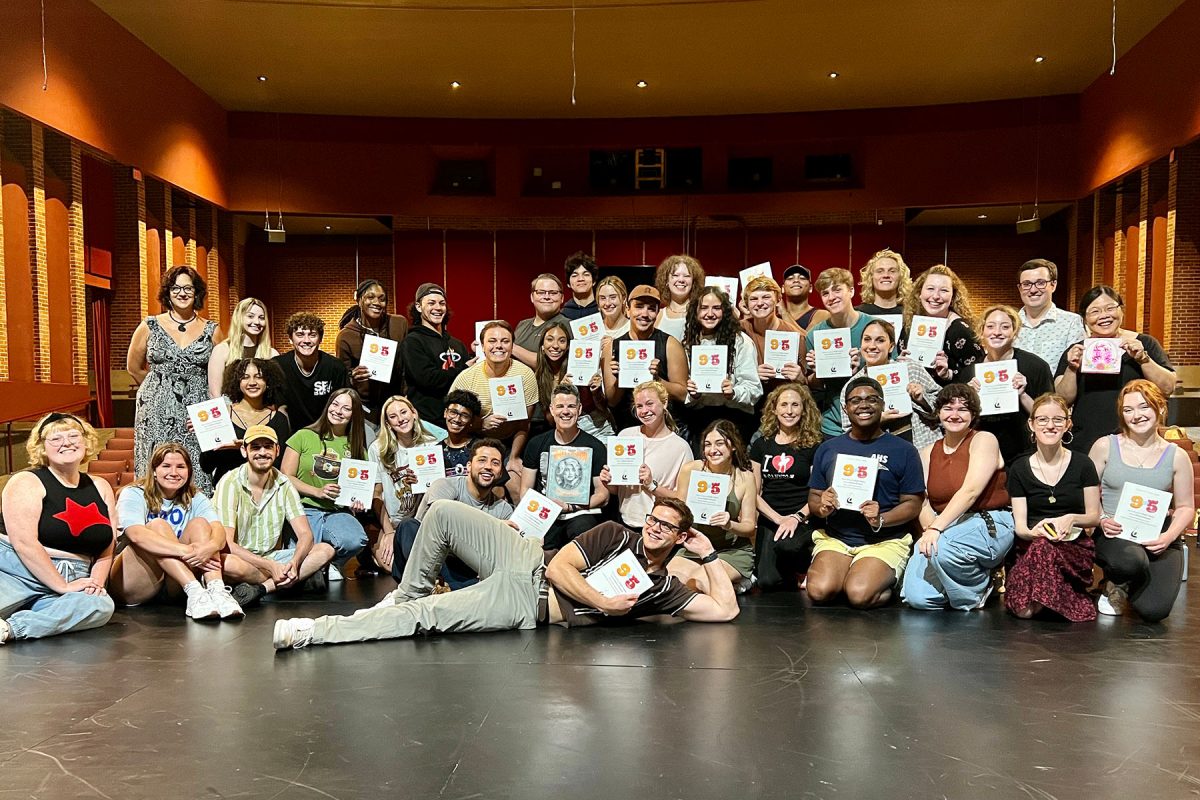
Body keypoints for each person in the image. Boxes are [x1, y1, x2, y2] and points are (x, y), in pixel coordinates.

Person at [272, 496, 738, 650]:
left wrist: (710, 554)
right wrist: (603, 604)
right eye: (653, 519)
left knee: (429, 616)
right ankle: (404, 594)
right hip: (529, 562)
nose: (654, 528)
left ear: (681, 536)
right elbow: (558, 567)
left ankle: (314, 631)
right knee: (443, 512)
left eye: (667, 527)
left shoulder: (661, 589)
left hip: (524, 603)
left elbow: (724, 610)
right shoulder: (617, 533)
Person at [806, 377, 925, 609]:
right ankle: (851, 574)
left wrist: (881, 519)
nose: (864, 405)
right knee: (820, 591)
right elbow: (814, 497)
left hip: (884, 541)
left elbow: (913, 503)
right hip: (838, 538)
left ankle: (884, 581)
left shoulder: (905, 450)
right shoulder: (828, 448)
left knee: (859, 595)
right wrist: (822, 506)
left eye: (872, 399)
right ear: (845, 408)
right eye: (855, 400)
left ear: (882, 404)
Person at [0, 413, 115, 644]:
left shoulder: (100, 486)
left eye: (74, 435)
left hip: (76, 575)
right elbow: (24, 543)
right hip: (18, 569)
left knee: (99, 605)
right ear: (42, 447)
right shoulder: (26, 481)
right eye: (56, 438)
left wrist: (96, 584)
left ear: (86, 442)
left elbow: (108, 546)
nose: (67, 442)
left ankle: (11, 629)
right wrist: (61, 585)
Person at [900, 385, 1014, 611]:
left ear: (973, 415)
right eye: (948, 408)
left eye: (963, 409)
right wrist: (929, 530)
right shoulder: (927, 452)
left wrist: (936, 530)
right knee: (917, 598)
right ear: (938, 412)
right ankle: (957, 582)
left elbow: (971, 490)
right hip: (945, 526)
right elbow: (921, 499)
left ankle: (977, 589)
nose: (955, 415)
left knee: (942, 548)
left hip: (988, 520)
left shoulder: (984, 439)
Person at [1089, 380, 1193, 622]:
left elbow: (1186, 507)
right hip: (1114, 534)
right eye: (1128, 410)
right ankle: (1117, 580)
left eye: (1144, 407)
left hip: (1159, 537)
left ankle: (1131, 583)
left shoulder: (1177, 456)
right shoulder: (1105, 446)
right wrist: (1102, 519)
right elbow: (1088, 493)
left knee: (1154, 611)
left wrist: (1168, 537)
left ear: (1160, 408)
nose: (1136, 415)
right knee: (1130, 561)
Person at [109, 443, 243, 620]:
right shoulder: (133, 493)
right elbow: (136, 534)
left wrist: (210, 547)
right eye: (166, 466)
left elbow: (218, 530)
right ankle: (195, 591)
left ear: (188, 472)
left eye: (180, 467)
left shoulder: (196, 497)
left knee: (201, 524)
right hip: (135, 583)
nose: (174, 472)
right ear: (154, 471)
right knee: (158, 526)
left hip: (174, 583)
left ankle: (216, 590)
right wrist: (188, 551)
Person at [211, 425, 334, 607]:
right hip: (243, 559)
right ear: (244, 451)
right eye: (255, 447)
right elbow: (227, 544)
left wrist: (294, 561)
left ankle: (262, 589)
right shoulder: (230, 482)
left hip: (274, 557)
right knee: (227, 563)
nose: (262, 452)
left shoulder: (284, 483)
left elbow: (306, 535)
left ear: (277, 450)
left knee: (325, 550)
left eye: (268, 446)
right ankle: (294, 580)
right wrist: (270, 567)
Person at [1004, 393, 1102, 621]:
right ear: (1031, 424)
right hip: (1032, 546)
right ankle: (1053, 596)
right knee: (1041, 548)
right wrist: (1033, 532)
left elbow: (1093, 516)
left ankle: (1050, 595)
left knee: (1044, 550)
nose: (1050, 426)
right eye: (1042, 420)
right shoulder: (1019, 468)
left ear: (1068, 424)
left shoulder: (1083, 464)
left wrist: (1070, 518)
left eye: (1058, 420)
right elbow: (1020, 527)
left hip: (1073, 546)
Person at [127, 265, 218, 491]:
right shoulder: (149, 326)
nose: (182, 293)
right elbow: (134, 368)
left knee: (195, 462)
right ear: (168, 293)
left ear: (197, 293)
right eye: (176, 288)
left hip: (197, 411)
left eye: (188, 288)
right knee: (157, 461)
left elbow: (221, 374)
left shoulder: (212, 330)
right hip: (155, 412)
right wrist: (160, 391)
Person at [1055, 285, 1176, 455]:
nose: (1104, 316)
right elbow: (1062, 399)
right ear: (1084, 318)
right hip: (1086, 441)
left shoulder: (1145, 344)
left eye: (1110, 308)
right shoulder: (1077, 351)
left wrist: (1143, 359)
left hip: (1138, 440)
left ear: (1121, 310)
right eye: (1094, 311)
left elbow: (1167, 388)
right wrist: (1072, 367)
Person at [391, 439, 515, 587]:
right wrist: (493, 527)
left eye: (495, 463)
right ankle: (435, 586)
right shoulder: (445, 485)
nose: (488, 467)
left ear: (500, 472)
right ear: (469, 466)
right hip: (428, 556)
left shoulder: (503, 509)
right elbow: (439, 526)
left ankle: (446, 588)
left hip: (464, 566)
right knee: (408, 526)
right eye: (482, 460)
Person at [281, 388, 370, 574]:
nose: (338, 411)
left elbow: (359, 488)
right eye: (335, 404)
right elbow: (285, 476)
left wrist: (356, 503)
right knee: (296, 556)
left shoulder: (357, 448)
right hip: (302, 510)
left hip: (335, 512)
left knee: (355, 539)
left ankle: (329, 565)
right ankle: (315, 569)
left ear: (354, 414)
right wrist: (317, 492)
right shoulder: (303, 435)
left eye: (346, 408)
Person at [448, 320, 539, 489]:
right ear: (482, 346)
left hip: (512, 442)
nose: (499, 346)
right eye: (492, 341)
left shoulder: (525, 374)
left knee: (517, 488)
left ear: (512, 346)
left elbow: (524, 423)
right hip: (475, 442)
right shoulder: (466, 377)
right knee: (490, 489)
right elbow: (453, 421)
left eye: (505, 341)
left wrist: (514, 457)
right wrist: (481, 424)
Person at [960, 305, 1053, 464]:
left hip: (1026, 454)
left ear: (1014, 332)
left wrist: (1023, 395)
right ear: (981, 332)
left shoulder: (1036, 366)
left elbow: (1049, 416)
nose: (997, 332)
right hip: (982, 455)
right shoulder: (969, 373)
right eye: (990, 326)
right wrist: (969, 399)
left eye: (1005, 327)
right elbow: (961, 419)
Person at [751, 383, 823, 591]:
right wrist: (778, 519)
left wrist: (795, 518)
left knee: (788, 546)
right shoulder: (761, 445)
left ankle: (807, 564)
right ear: (774, 409)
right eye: (783, 405)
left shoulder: (815, 445)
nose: (789, 411)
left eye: (795, 405)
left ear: (804, 409)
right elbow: (754, 493)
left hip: (803, 516)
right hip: (772, 517)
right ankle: (791, 571)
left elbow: (817, 492)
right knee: (766, 581)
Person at [520, 384, 610, 549]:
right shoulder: (536, 443)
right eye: (560, 406)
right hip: (545, 512)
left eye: (571, 406)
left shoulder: (594, 446)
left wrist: (570, 507)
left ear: (580, 409)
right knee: (532, 546)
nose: (566, 411)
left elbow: (602, 495)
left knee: (583, 532)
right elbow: (525, 489)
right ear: (552, 410)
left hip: (579, 512)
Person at [670, 420, 758, 588]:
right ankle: (729, 585)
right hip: (695, 545)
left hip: (731, 550)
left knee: (698, 582)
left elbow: (749, 526)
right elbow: (678, 511)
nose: (712, 450)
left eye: (719, 443)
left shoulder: (745, 478)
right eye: (708, 444)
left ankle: (738, 580)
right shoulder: (691, 470)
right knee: (672, 584)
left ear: (733, 446)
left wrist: (729, 524)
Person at [601, 381, 692, 531]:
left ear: (665, 403)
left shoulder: (681, 448)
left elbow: (683, 500)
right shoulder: (625, 436)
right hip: (624, 522)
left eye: (650, 404)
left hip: (658, 528)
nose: (644, 411)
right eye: (639, 406)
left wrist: (651, 485)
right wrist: (608, 481)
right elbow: (617, 490)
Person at [681, 285, 763, 447]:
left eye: (716, 308)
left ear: (724, 312)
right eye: (704, 308)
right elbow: (684, 392)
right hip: (700, 420)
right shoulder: (689, 343)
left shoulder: (741, 342)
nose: (710, 314)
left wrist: (734, 392)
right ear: (695, 312)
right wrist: (693, 395)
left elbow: (754, 389)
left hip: (735, 418)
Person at [840, 319, 941, 448]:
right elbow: (848, 432)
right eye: (867, 339)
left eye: (880, 340)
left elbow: (943, 406)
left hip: (922, 446)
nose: (872, 346)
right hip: (880, 452)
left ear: (891, 346)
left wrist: (922, 399)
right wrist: (877, 420)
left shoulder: (911, 369)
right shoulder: (853, 386)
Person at [369, 395, 441, 574]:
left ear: (414, 413)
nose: (400, 419)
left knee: (415, 565)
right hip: (393, 522)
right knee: (391, 566)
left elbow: (438, 492)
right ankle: (372, 551)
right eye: (393, 416)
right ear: (387, 423)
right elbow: (376, 495)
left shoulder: (431, 444)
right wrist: (388, 532)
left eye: (403, 412)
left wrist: (420, 487)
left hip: (421, 521)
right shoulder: (377, 449)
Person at [602, 284, 688, 432]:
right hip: (627, 428)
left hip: (664, 429)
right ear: (628, 310)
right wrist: (620, 378)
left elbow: (683, 394)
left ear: (657, 312)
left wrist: (657, 380)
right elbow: (612, 400)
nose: (645, 313)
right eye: (639, 306)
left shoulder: (670, 344)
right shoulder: (613, 347)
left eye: (651, 308)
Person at [199, 357, 292, 486]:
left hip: (263, 491)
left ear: (268, 381)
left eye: (258, 377)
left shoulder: (278, 420)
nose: (252, 382)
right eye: (245, 377)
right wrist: (204, 431)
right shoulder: (221, 414)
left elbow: (278, 465)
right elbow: (206, 466)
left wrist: (244, 447)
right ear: (237, 382)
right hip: (227, 490)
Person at [804, 268, 872, 439]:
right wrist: (818, 371)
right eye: (825, 293)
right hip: (832, 424)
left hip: (871, 420)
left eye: (837, 289)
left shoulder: (874, 327)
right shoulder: (814, 335)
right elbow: (813, 384)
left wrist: (861, 371)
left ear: (851, 291)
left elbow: (889, 370)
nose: (831, 297)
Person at [335, 278, 409, 423]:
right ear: (359, 300)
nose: (376, 302)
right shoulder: (346, 336)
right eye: (370, 297)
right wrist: (353, 377)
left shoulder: (399, 324)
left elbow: (407, 364)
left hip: (396, 402)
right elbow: (342, 376)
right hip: (366, 407)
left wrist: (406, 395)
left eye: (382, 299)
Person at [901, 264, 985, 385]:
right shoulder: (910, 324)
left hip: (948, 400)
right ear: (919, 293)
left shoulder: (960, 330)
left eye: (944, 290)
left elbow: (977, 372)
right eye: (930, 289)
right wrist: (900, 363)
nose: (935, 296)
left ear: (953, 297)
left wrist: (948, 374)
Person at [402, 282, 469, 424]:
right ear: (419, 307)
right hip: (427, 422)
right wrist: (464, 370)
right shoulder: (412, 341)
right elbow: (428, 379)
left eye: (442, 303)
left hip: (457, 421)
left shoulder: (457, 344)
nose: (438, 308)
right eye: (431, 303)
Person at [272, 312, 350, 433]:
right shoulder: (278, 366)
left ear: (320, 339)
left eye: (312, 335)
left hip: (326, 432)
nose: (306, 340)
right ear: (290, 339)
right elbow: (276, 408)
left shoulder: (336, 367)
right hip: (291, 434)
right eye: (300, 335)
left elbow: (344, 405)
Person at [1013, 258, 1087, 372]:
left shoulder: (1071, 322)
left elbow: (1077, 365)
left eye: (1040, 283)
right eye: (1026, 284)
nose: (1033, 290)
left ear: (1053, 285)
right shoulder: (1010, 324)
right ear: (1019, 288)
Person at [207, 296, 278, 399]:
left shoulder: (272, 354)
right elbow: (215, 394)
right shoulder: (222, 350)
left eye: (261, 318)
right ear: (239, 318)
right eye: (250, 316)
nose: (257, 322)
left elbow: (276, 393)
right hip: (230, 412)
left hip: (263, 412)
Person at [741, 275, 805, 376]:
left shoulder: (794, 335)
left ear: (778, 300)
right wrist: (752, 375)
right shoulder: (739, 330)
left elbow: (808, 382)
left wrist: (800, 377)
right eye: (753, 299)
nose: (760, 303)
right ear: (746, 304)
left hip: (784, 390)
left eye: (766, 297)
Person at [513, 273, 572, 368]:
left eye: (553, 293)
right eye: (541, 292)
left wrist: (511, 347)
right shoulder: (522, 324)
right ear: (532, 297)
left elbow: (548, 363)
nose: (547, 297)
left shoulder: (567, 325)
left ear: (562, 298)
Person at [532, 321, 572, 439]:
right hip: (557, 431)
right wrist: (559, 391)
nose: (555, 345)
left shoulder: (574, 371)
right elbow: (551, 420)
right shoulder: (538, 377)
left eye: (562, 341)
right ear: (542, 346)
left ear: (568, 347)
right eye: (550, 339)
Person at [654, 254, 705, 341]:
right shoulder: (658, 316)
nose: (681, 280)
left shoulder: (702, 313)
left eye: (687, 276)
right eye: (675, 275)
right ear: (666, 280)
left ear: (693, 282)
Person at [856, 248, 912, 318]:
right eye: (880, 271)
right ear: (871, 277)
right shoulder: (858, 315)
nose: (886, 275)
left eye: (892, 271)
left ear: (901, 277)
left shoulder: (910, 315)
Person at [440, 389, 482, 478]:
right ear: (445, 413)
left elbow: (499, 487)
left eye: (465, 416)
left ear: (472, 420)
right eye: (453, 412)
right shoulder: (435, 451)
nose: (457, 419)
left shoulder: (482, 448)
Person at [781, 264, 829, 331]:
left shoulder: (821, 315)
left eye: (802, 278)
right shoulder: (775, 317)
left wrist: (784, 312)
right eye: (790, 278)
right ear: (782, 288)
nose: (796, 280)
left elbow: (807, 340)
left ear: (810, 288)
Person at [561, 251, 599, 320]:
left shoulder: (604, 310)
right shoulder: (563, 315)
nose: (581, 279)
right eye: (575, 275)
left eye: (586, 274)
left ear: (594, 281)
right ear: (568, 283)